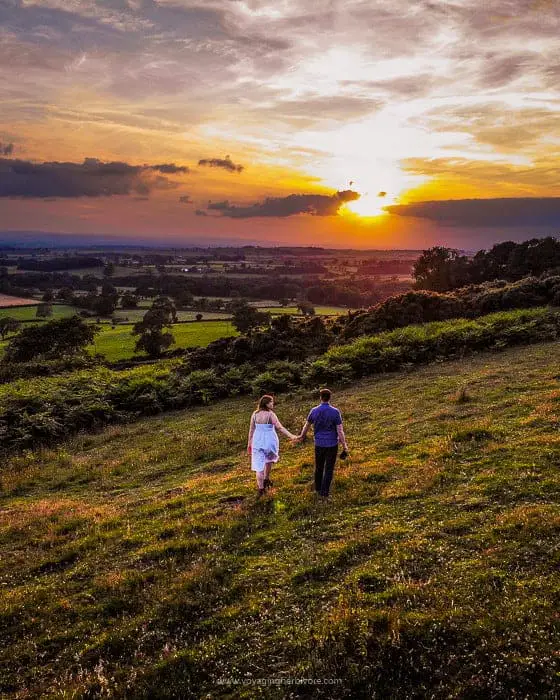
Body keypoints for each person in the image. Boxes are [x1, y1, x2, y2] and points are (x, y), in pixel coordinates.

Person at [297, 388, 348, 499]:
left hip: (319, 443)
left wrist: (302, 436)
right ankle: (324, 493)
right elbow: (340, 430)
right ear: (330, 398)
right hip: (332, 444)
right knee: (329, 468)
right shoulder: (335, 412)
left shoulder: (314, 410)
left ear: (320, 397)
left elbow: (307, 425)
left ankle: (318, 489)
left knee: (319, 467)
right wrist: (344, 446)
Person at [247, 395, 298, 496]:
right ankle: (266, 479)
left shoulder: (255, 414)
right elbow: (280, 427)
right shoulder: (270, 414)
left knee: (258, 466)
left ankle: (261, 489)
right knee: (269, 459)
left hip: (257, 441)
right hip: (269, 440)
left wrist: (249, 443)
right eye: (271, 402)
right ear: (266, 403)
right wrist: (291, 436)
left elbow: (251, 430)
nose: (272, 404)